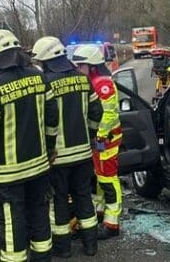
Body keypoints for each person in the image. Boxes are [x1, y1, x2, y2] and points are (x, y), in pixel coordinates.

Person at [0, 29, 59, 262]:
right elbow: (52, 118)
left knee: (13, 220)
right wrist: (49, 148)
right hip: (39, 166)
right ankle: (42, 258)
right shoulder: (40, 77)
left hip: (10, 173)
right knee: (40, 214)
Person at [31, 36, 103, 258]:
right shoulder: (83, 79)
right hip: (82, 154)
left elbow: (44, 119)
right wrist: (90, 134)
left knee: (59, 201)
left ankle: (64, 249)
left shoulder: (46, 82)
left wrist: (47, 148)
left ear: (45, 60)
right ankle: (91, 245)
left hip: (58, 157)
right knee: (83, 197)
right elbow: (97, 111)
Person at [71, 44, 123, 240]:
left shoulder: (103, 84)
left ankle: (112, 223)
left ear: (91, 65)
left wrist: (97, 136)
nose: (78, 69)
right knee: (98, 179)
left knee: (108, 180)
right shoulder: (90, 82)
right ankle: (99, 213)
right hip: (96, 141)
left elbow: (107, 115)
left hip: (106, 141)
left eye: (81, 66)